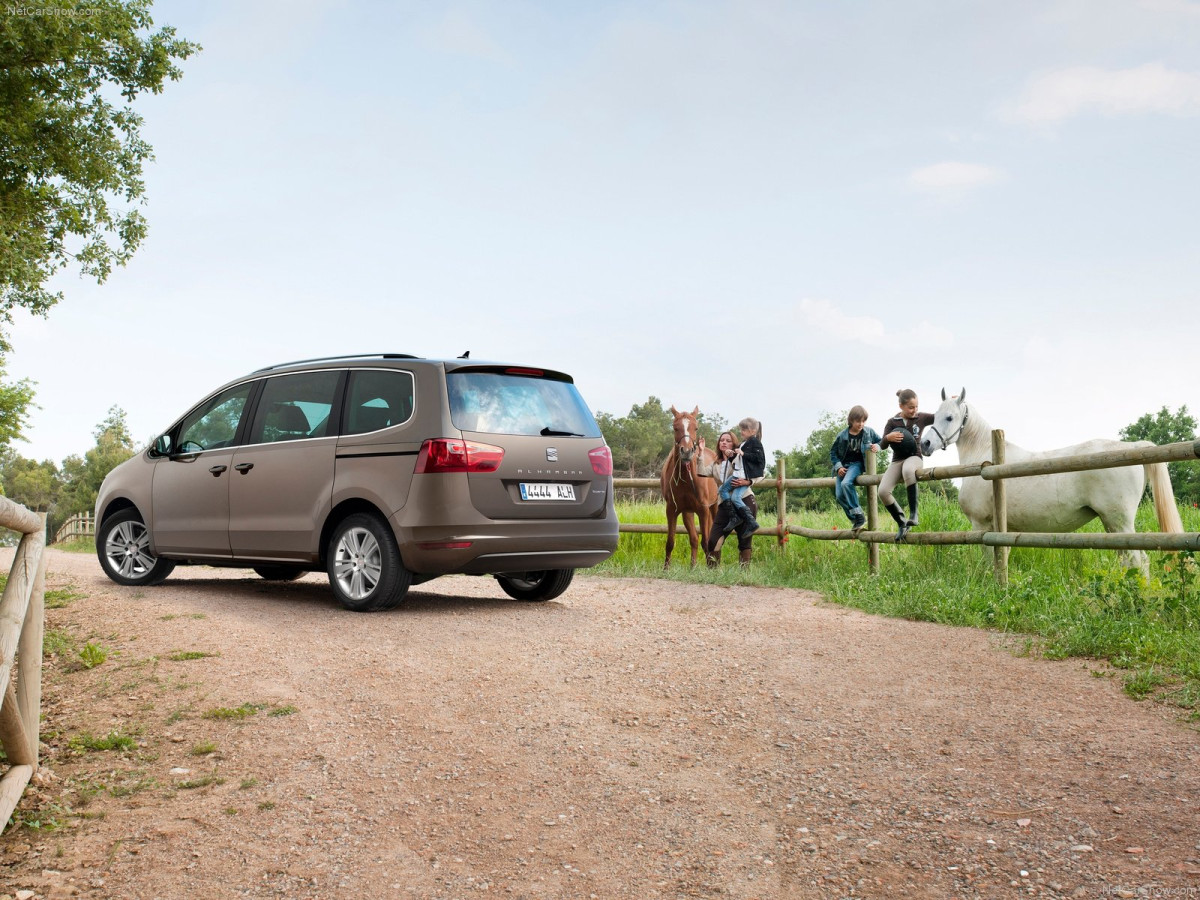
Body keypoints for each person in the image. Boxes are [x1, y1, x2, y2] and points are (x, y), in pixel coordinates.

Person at [698, 430, 761, 567]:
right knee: (713, 540)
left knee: (744, 541)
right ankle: (713, 576)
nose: (724, 442)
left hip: (745, 501)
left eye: (728, 440)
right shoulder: (716, 464)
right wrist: (701, 452)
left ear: (734, 444)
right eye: (722, 440)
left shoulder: (741, 458)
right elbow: (701, 471)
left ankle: (744, 576)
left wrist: (748, 482)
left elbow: (759, 472)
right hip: (725, 505)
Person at [880, 389, 934, 542]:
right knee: (883, 491)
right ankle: (902, 522)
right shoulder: (892, 422)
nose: (914, 410)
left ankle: (913, 514)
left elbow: (940, 417)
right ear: (901, 406)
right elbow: (882, 445)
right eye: (911, 407)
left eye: (916, 406)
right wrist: (888, 438)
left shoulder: (921, 418)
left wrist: (953, 402)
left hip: (914, 457)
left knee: (908, 470)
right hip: (897, 460)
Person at [830, 406, 882, 532]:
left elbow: (882, 441)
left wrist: (877, 446)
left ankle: (859, 515)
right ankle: (855, 519)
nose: (861, 424)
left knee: (847, 484)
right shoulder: (842, 436)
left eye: (864, 421)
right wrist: (838, 467)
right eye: (858, 421)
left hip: (857, 464)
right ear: (851, 420)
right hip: (843, 466)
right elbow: (833, 453)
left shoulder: (869, 432)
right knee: (839, 496)